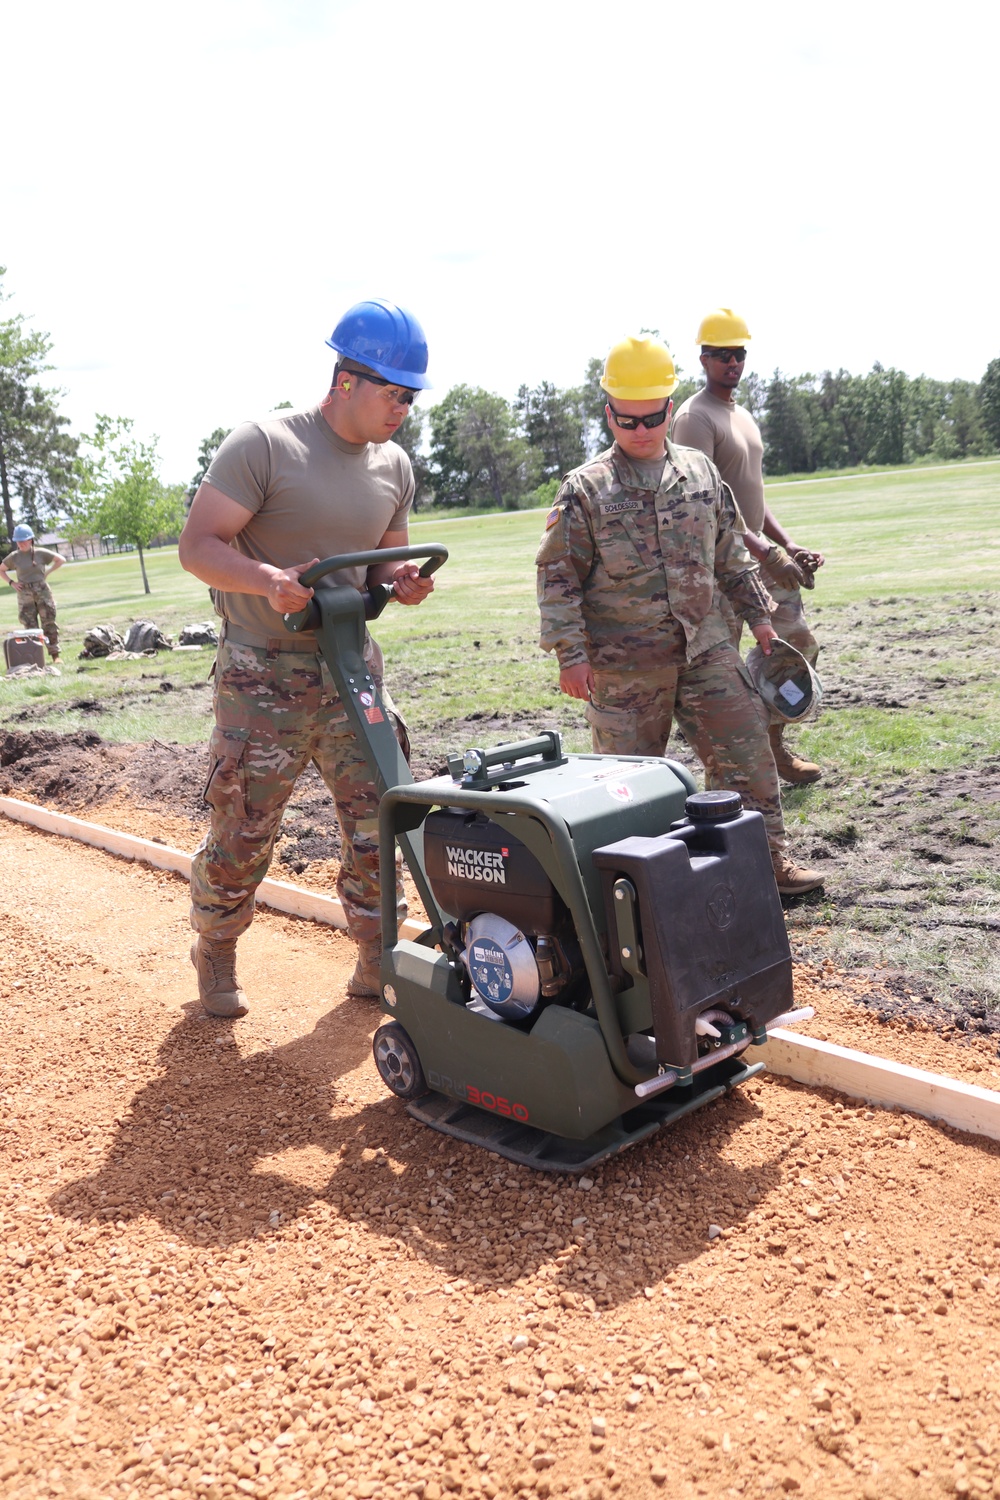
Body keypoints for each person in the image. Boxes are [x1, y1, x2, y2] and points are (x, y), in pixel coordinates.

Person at [177, 299, 435, 1018]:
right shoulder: (264, 445)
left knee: (381, 819)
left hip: (352, 668)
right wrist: (267, 580)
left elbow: (385, 565)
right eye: (393, 392)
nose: (403, 409)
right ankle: (217, 948)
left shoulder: (395, 465)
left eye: (411, 397)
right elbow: (199, 547)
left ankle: (375, 956)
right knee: (245, 825)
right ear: (346, 379)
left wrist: (401, 584)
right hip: (264, 674)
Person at [536, 334, 822, 896]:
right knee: (626, 790)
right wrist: (571, 657)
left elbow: (731, 555)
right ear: (609, 414)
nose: (639, 431)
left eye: (650, 419)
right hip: (625, 668)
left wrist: (760, 620)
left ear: (669, 409)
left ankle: (766, 865)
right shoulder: (585, 489)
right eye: (626, 420)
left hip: (706, 650)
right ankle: (633, 895)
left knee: (747, 756)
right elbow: (557, 577)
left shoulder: (700, 473)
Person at [672, 309, 825, 784]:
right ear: (704, 359)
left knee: (794, 647)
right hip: (723, 568)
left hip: (760, 559)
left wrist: (787, 543)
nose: (732, 362)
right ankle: (734, 772)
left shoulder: (741, 414)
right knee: (726, 673)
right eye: (722, 354)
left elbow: (750, 492)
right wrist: (762, 552)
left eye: (738, 353)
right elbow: (705, 507)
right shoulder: (694, 419)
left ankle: (775, 747)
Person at [0, 524, 64, 661]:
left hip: (42, 591)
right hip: (24, 593)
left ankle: (55, 655)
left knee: (49, 622)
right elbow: (1, 569)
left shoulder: (40, 553)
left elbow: (60, 560)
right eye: (18, 541)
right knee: (29, 625)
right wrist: (12, 583)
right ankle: (36, 657)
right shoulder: (14, 557)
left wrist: (47, 573)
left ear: (30, 540)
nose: (21, 544)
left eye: (23, 540)